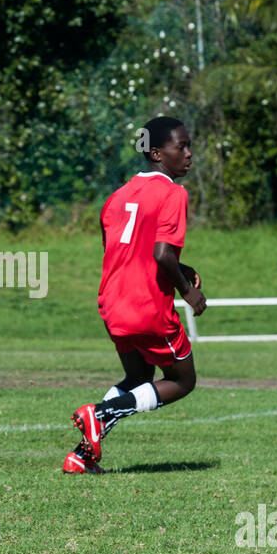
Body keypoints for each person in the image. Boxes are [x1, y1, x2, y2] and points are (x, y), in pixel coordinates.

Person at [65, 116, 207, 474]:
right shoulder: (173, 192)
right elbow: (161, 255)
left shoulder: (117, 197)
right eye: (181, 146)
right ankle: (100, 414)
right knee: (183, 380)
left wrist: (180, 266)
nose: (189, 154)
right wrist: (188, 292)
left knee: (138, 380)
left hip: (113, 305)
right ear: (158, 153)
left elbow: (124, 252)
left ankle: (80, 457)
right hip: (147, 309)